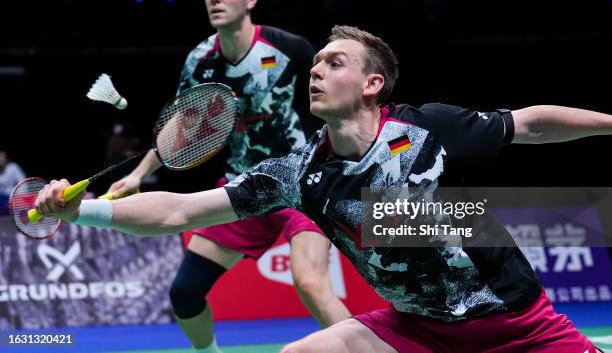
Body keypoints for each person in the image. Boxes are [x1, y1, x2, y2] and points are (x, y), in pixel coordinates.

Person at [35, 25, 607, 353]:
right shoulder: (297, 172)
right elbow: (179, 211)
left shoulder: (427, 128)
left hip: (514, 322)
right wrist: (79, 211)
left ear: (371, 84)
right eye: (316, 64)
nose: (315, 71)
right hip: (418, 329)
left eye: (334, 64)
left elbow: (528, 124)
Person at [104, 0, 349, 352]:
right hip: (243, 188)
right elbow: (181, 125)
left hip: (301, 184)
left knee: (310, 281)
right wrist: (137, 174)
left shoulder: (289, 50)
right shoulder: (200, 61)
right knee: (185, 294)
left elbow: (337, 99)